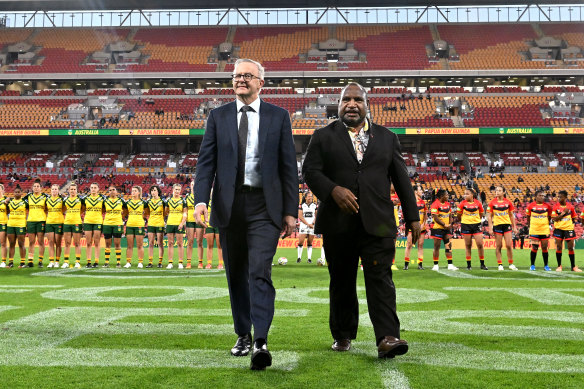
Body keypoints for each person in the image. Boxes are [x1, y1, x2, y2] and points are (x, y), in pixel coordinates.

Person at [302, 82, 419, 359]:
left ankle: (388, 336)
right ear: (338, 104)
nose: (352, 104)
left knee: (381, 279)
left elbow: (401, 179)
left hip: (377, 221)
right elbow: (310, 171)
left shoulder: (388, 137)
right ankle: (342, 334)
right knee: (341, 280)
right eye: (346, 100)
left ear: (367, 105)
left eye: (358, 100)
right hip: (337, 222)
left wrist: (413, 217)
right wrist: (333, 190)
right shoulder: (322, 136)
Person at [194, 58, 297, 370]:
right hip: (229, 205)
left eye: (247, 76)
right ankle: (243, 333)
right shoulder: (218, 116)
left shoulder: (279, 116)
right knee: (235, 273)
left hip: (265, 207)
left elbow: (288, 166)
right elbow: (205, 163)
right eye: (237, 76)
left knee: (259, 271)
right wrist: (201, 200)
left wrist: (290, 211)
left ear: (261, 83)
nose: (241, 80)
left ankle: (261, 340)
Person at [486, 185, 518, 271]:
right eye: (496, 190)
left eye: (499, 190)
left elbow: (511, 215)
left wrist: (514, 227)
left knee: (508, 245)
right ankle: (500, 264)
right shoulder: (492, 202)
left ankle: (511, 263)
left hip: (507, 225)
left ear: (503, 192)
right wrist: (490, 227)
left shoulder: (508, 202)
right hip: (497, 225)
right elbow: (489, 216)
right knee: (499, 246)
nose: (497, 192)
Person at [456, 188, 487, 270]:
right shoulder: (462, 203)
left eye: (467, 194)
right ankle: (469, 265)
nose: (465, 195)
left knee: (480, 244)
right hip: (466, 225)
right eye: (464, 193)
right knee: (468, 245)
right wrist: (464, 220)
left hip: (476, 225)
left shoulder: (478, 203)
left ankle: (482, 264)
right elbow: (458, 215)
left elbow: (481, 214)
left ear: (472, 195)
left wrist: (475, 220)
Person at [552, 190, 581, 272]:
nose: (559, 198)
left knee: (571, 248)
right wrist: (563, 213)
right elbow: (554, 219)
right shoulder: (555, 207)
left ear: (565, 197)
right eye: (558, 196)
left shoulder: (571, 207)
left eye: (560, 197)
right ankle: (559, 266)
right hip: (558, 229)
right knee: (559, 247)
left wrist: (569, 224)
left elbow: (574, 218)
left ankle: (573, 267)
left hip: (569, 229)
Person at [430, 189, 457, 271]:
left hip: (446, 229)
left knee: (448, 246)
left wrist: (450, 224)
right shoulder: (435, 204)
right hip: (438, 229)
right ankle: (435, 265)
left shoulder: (448, 204)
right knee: (437, 247)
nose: (448, 196)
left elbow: (450, 216)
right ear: (441, 196)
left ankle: (450, 264)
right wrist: (444, 225)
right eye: (446, 195)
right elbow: (436, 218)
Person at [526, 190, 552, 271]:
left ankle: (546, 265)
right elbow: (528, 218)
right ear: (536, 196)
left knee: (544, 247)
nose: (542, 197)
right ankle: (532, 265)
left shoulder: (547, 206)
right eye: (540, 195)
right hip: (534, 229)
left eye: (543, 195)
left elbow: (549, 217)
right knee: (534, 247)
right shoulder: (530, 206)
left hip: (544, 229)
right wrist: (531, 226)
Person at [25, 179, 47, 267]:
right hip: (31, 221)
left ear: (41, 188)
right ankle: (30, 261)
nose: (36, 188)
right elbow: (19, 201)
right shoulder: (28, 196)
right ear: (32, 188)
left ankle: (40, 261)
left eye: (38, 186)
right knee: (31, 242)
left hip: (41, 221)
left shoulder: (45, 196)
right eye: (35, 186)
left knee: (41, 241)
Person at [102, 185, 125, 267]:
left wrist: (121, 216)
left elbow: (125, 210)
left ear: (116, 191)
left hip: (117, 224)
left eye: (113, 189)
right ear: (108, 192)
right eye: (110, 190)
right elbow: (102, 210)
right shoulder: (105, 201)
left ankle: (118, 262)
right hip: (107, 224)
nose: (112, 191)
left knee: (117, 244)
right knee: (107, 244)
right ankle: (106, 262)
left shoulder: (121, 200)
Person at [83, 182, 105, 268]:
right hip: (88, 221)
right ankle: (88, 262)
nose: (93, 189)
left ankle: (96, 261)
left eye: (95, 188)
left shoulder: (102, 198)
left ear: (98, 189)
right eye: (92, 187)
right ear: (90, 189)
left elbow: (104, 209)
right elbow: (83, 208)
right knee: (88, 242)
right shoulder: (85, 199)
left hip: (97, 222)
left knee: (97, 242)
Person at [404, 184, 425, 270]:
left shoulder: (423, 202)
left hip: (422, 228)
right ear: (416, 191)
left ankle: (420, 265)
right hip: (411, 228)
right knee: (409, 245)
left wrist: (423, 224)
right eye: (420, 190)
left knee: (420, 245)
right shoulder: (410, 202)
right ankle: (406, 265)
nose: (422, 192)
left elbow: (425, 215)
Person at [165, 183, 187, 269]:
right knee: (170, 243)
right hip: (170, 223)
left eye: (179, 190)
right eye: (176, 189)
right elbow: (166, 212)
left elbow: (185, 213)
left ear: (180, 191)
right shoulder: (168, 200)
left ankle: (180, 262)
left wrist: (182, 223)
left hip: (179, 224)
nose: (177, 191)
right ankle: (170, 262)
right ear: (172, 190)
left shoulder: (183, 201)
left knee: (180, 243)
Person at [6, 185, 28, 268]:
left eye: (19, 192)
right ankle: (10, 262)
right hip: (11, 224)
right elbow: (6, 211)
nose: (17, 193)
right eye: (16, 192)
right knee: (11, 243)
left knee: (21, 243)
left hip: (21, 224)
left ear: (21, 193)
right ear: (13, 193)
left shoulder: (25, 202)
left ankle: (22, 263)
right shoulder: (10, 202)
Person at [62, 183, 84, 268]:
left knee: (77, 243)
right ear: (68, 190)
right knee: (67, 243)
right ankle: (66, 262)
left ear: (77, 190)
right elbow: (62, 209)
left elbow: (83, 209)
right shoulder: (65, 200)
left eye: (74, 189)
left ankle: (77, 261)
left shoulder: (80, 199)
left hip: (77, 222)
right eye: (71, 189)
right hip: (67, 222)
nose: (73, 191)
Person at [125, 186, 146, 268]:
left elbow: (146, 212)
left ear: (139, 192)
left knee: (140, 245)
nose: (133, 192)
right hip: (129, 225)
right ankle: (128, 262)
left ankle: (140, 262)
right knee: (129, 245)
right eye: (132, 191)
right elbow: (125, 212)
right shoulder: (128, 202)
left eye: (135, 191)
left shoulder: (143, 203)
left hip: (139, 225)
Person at [145, 185, 165, 268]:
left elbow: (165, 212)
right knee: (150, 243)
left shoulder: (163, 202)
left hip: (160, 223)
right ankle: (150, 262)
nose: (153, 192)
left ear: (158, 192)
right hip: (151, 223)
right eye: (152, 190)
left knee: (160, 243)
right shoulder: (148, 202)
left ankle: (160, 262)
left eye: (155, 190)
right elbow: (146, 212)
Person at [45, 184, 64, 268]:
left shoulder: (62, 199)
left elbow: (65, 208)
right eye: (53, 189)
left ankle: (57, 261)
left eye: (56, 189)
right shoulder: (47, 200)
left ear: (58, 190)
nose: (54, 191)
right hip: (49, 222)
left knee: (58, 242)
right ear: (50, 190)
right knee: (51, 242)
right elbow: (45, 209)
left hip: (59, 222)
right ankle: (51, 261)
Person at [185, 180, 203, 269]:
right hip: (190, 221)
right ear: (190, 186)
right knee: (190, 241)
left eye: (195, 184)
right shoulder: (187, 197)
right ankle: (188, 262)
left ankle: (200, 262)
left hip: (199, 220)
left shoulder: (201, 197)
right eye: (192, 185)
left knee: (199, 242)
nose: (193, 186)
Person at [204, 195, 224, 269]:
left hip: (218, 225)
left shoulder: (220, 203)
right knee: (210, 245)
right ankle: (209, 263)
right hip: (209, 225)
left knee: (220, 246)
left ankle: (220, 263)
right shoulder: (206, 203)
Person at [297, 191, 317, 264]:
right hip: (304, 225)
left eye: (311, 196)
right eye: (309, 196)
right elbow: (300, 216)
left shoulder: (315, 205)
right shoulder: (301, 205)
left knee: (310, 242)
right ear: (305, 198)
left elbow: (316, 216)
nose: (310, 198)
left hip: (312, 225)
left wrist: (313, 223)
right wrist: (308, 224)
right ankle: (299, 257)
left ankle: (309, 259)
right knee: (300, 242)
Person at [0, 184, 7, 267]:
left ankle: (3, 261)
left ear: (3, 190)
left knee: (3, 243)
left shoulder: (6, 200)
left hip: (3, 222)